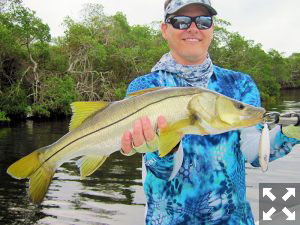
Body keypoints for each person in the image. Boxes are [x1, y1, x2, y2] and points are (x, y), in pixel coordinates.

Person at [120, 0, 300, 224]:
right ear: (165, 29)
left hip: (235, 219)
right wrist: (158, 152)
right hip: (168, 219)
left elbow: (255, 153)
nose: (193, 28)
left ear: (212, 29)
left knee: (287, 215)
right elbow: (162, 173)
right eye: (181, 21)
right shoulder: (144, 88)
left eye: (204, 21)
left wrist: (290, 133)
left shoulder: (240, 84)